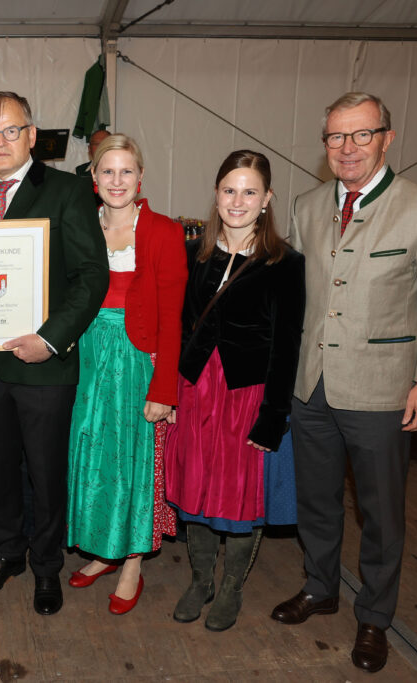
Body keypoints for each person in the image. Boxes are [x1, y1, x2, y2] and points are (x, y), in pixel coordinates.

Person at [271, 92, 417, 673]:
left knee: (381, 514)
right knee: (317, 501)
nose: (348, 148)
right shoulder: (306, 206)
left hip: (384, 392)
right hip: (312, 387)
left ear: (387, 137)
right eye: (336, 137)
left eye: (361, 135)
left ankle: (375, 617)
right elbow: (292, 298)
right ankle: (320, 586)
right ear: (324, 143)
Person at [0, 91, 108, 616]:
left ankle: (47, 567)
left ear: (31, 135)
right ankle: (7, 554)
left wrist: (49, 338)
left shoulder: (68, 190)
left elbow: (92, 277)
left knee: (45, 473)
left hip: (47, 363)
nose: (0, 142)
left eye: (10, 130)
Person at [165, 150, 305, 632]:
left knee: (239, 496)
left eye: (249, 191)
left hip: (246, 395)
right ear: (216, 194)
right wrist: (173, 393)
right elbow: (182, 328)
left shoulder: (286, 264)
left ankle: (231, 587)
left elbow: (286, 348)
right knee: (195, 489)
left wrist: (273, 417)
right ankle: (201, 580)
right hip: (198, 390)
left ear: (266, 199)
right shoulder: (196, 253)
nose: (238, 200)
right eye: (229, 190)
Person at [66, 134, 187, 615]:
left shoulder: (162, 231)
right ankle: (103, 550)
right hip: (86, 357)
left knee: (134, 462)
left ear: (141, 178)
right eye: (107, 172)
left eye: (126, 171)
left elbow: (173, 317)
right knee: (94, 457)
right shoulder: (80, 226)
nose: (117, 181)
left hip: (138, 359)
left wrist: (165, 388)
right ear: (94, 180)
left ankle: (132, 560)